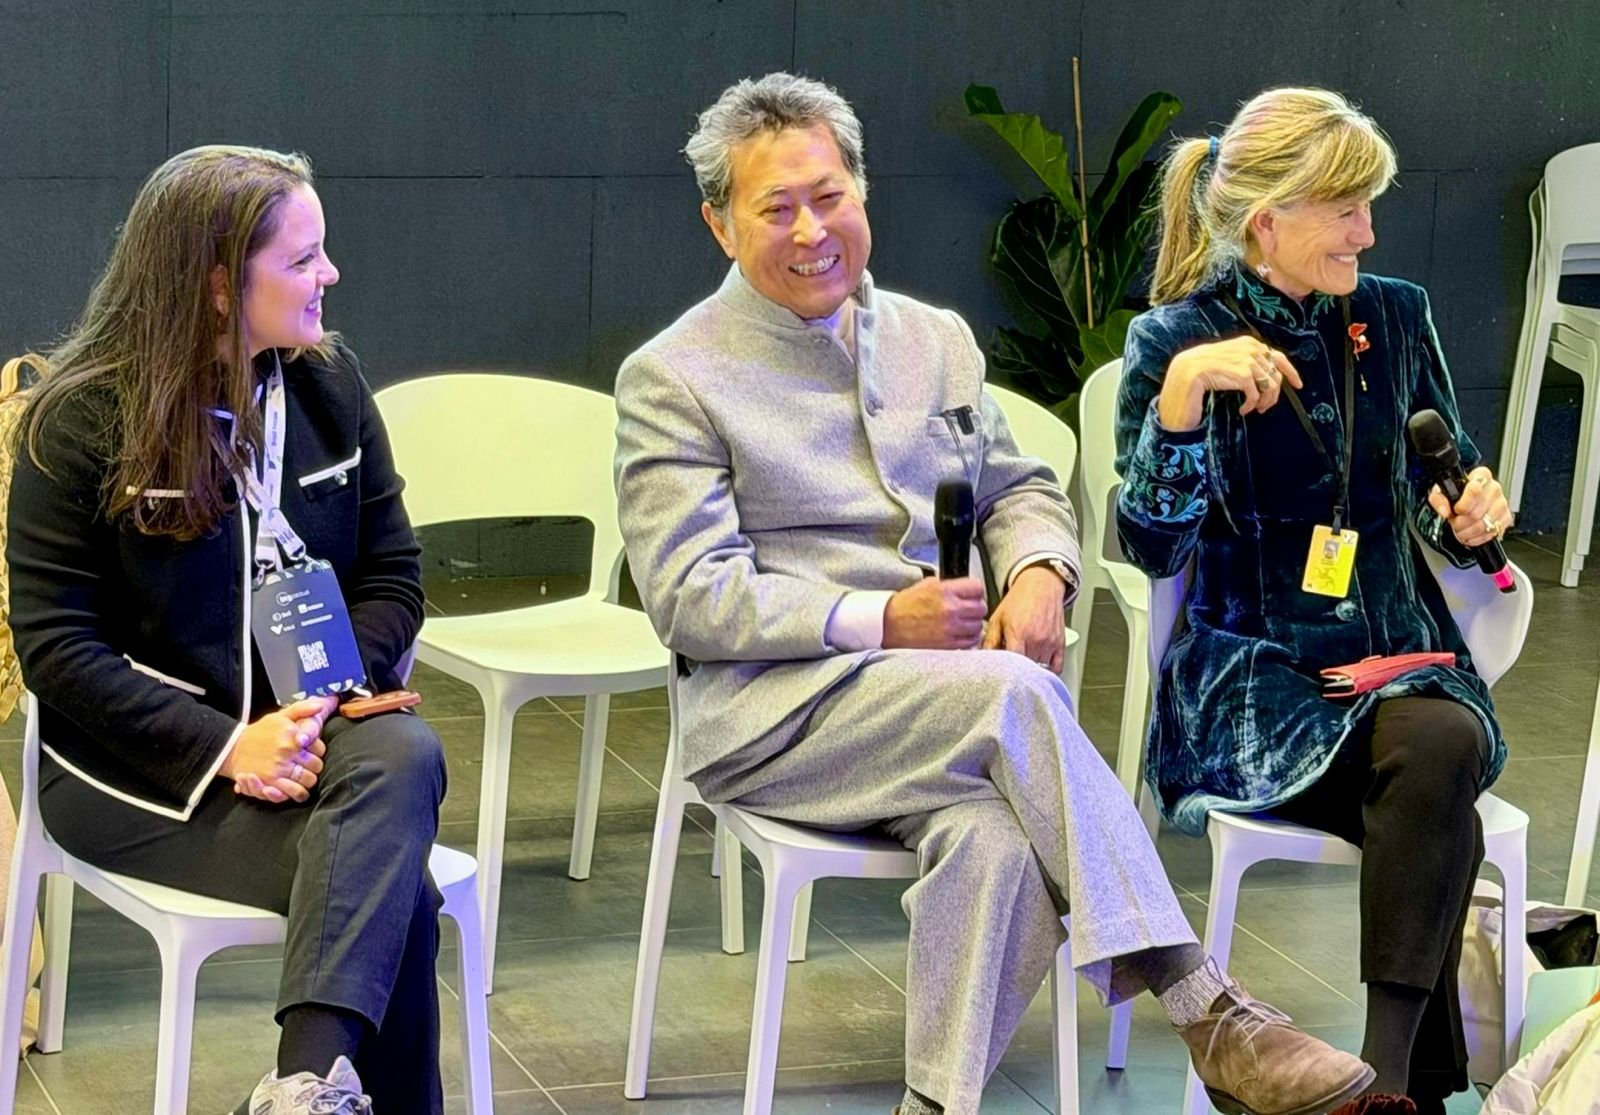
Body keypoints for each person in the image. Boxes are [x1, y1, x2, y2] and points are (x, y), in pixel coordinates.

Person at [615, 71, 1374, 1115]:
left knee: (999, 835)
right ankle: (1203, 1003)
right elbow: (689, 595)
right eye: (774, 207)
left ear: (862, 193)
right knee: (1013, 698)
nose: (809, 230)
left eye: (828, 196)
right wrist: (881, 618)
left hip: (937, 705)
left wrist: (1037, 574)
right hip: (775, 710)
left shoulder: (937, 339)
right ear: (719, 223)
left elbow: (1019, 488)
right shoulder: (674, 375)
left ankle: (936, 1102)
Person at [7, 145, 445, 1115]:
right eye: (303, 260)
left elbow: (393, 575)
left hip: (309, 737)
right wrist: (228, 744)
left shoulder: (330, 386)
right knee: (399, 900)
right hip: (139, 779)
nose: (329, 276)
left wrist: (320, 700)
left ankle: (299, 1088)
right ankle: (313, 1081)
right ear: (215, 283)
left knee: (404, 745)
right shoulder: (77, 421)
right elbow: (55, 646)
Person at [1115, 87, 1512, 1114]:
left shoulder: (1395, 312)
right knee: (1436, 796)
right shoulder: (1176, 339)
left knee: (1437, 747)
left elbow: (1439, 485)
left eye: (1369, 207)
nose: (1367, 230)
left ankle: (1371, 1086)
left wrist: (1468, 510)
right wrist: (1178, 400)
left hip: (1398, 664)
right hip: (1256, 689)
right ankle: (1407, 1087)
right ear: (1268, 220)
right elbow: (1151, 542)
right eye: (1346, 209)